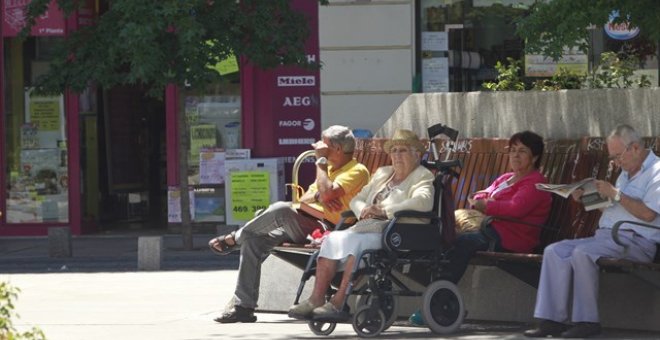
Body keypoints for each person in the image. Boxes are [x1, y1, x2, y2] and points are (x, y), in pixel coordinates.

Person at [209, 125, 370, 323]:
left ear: (337, 148)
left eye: (323, 143)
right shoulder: (328, 169)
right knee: (253, 241)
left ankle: (234, 238)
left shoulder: (357, 170)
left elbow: (325, 194)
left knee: (281, 209)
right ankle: (243, 307)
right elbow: (312, 196)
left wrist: (321, 172)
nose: (316, 146)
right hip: (304, 221)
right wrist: (323, 193)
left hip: (328, 228)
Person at [524, 124, 660, 338]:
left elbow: (649, 215)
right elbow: (614, 205)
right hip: (606, 237)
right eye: (612, 158)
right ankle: (551, 320)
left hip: (636, 242)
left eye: (617, 156)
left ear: (634, 148)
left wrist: (616, 194)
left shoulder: (656, 172)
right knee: (554, 251)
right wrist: (584, 198)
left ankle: (587, 321)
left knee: (583, 253)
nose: (615, 162)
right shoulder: (626, 173)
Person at [288, 129, 435, 320]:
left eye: (403, 150)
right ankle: (316, 299)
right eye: (394, 150)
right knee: (332, 239)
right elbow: (357, 199)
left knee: (357, 245)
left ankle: (338, 302)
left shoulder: (422, 175)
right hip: (369, 226)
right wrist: (364, 210)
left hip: (399, 230)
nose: (397, 155)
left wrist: (384, 211)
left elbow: (423, 202)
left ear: (417, 154)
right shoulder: (384, 173)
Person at [409, 130, 552, 326]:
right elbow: (480, 195)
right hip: (491, 230)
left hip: (513, 237)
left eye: (522, 151)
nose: (515, 155)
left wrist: (489, 205)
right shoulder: (506, 178)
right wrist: (483, 201)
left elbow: (516, 208)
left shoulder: (536, 182)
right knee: (441, 238)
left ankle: (436, 304)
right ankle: (443, 301)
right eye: (513, 150)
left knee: (462, 243)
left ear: (534, 157)